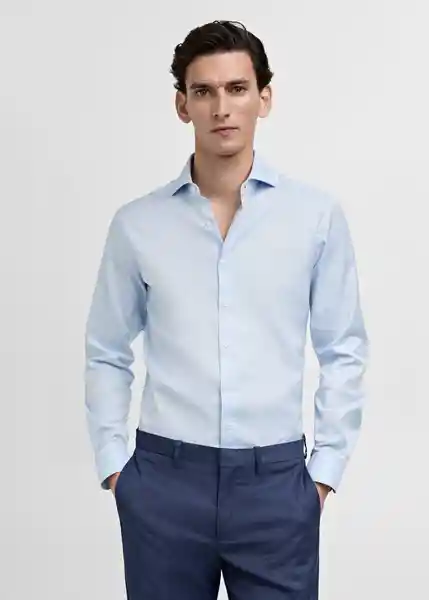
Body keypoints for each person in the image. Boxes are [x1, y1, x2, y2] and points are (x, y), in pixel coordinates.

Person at [84, 19, 369, 600]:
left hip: (276, 488)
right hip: (164, 486)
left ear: (264, 97)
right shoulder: (138, 225)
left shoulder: (314, 218)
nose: (221, 108)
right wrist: (117, 468)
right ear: (182, 105)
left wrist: (323, 474)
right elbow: (107, 350)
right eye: (204, 91)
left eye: (237, 88)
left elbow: (344, 349)